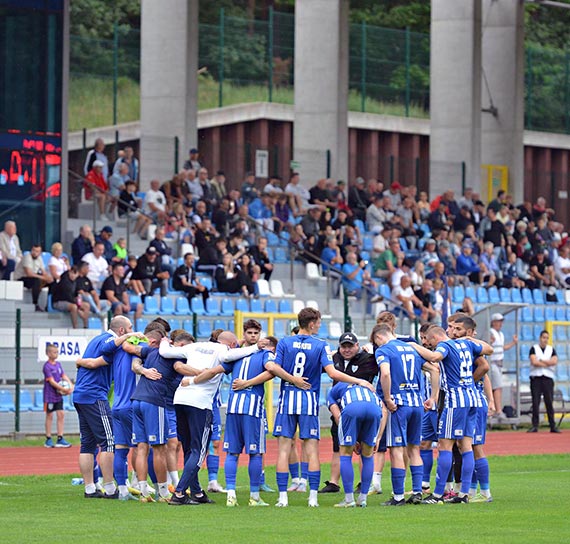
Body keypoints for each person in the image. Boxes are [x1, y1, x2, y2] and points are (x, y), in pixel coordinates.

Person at [272, 307, 375, 508]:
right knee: (312, 450)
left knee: (283, 450)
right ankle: (312, 498)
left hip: (286, 401)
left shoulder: (284, 342)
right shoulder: (320, 345)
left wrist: (291, 378)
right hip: (308, 402)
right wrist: (359, 381)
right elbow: (333, 373)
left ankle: (282, 497)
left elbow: (274, 367)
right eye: (318, 322)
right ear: (311, 324)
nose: (320, 326)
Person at [160, 331, 267, 506]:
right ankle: (179, 493)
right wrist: (256, 347)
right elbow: (236, 354)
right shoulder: (223, 350)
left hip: (179, 399)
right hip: (200, 403)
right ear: (232, 344)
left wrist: (164, 341)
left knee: (188, 448)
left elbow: (165, 352)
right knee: (199, 451)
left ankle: (196, 492)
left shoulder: (194, 346)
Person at [412, 326, 492, 504]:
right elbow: (489, 349)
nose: (428, 344)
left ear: (435, 338)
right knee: (466, 446)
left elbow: (434, 357)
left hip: (455, 401)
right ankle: (464, 494)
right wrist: (473, 341)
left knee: (444, 445)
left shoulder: (445, 346)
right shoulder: (466, 344)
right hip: (473, 398)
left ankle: (438, 495)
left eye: (429, 341)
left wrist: (413, 346)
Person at [72, 316, 141, 499]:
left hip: (80, 395)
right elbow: (106, 349)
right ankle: (110, 488)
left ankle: (90, 489)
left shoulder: (96, 338)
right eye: (130, 328)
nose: (132, 330)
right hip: (94, 396)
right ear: (121, 331)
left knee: (87, 444)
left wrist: (82, 362)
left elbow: (93, 362)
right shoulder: (108, 340)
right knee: (109, 442)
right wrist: (132, 336)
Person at [373, 324, 440, 506]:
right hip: (417, 404)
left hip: (399, 405)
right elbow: (435, 370)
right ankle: (417, 492)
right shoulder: (411, 348)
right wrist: (432, 397)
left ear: (378, 338)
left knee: (396, 450)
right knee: (414, 449)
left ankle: (398, 497)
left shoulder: (384, 350)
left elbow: (385, 374)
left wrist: (387, 398)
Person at [319, 332, 378, 495]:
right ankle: (333, 482)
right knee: (338, 447)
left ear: (357, 346)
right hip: (339, 406)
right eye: (343, 346)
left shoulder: (367, 359)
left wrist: (373, 350)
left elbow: (384, 359)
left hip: (360, 406)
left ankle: (362, 483)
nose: (347, 350)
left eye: (350, 346)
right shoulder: (333, 359)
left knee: (364, 448)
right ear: (339, 347)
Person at [449, 314, 495, 503]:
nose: (452, 331)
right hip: (472, 399)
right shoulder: (460, 346)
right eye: (451, 327)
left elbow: (484, 367)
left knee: (474, 446)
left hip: (471, 400)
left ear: (468, 332)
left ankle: (484, 493)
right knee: (467, 446)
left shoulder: (469, 345)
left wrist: (466, 383)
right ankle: (474, 490)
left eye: (457, 328)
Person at [326, 379, 383, 508]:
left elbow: (338, 417)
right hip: (375, 409)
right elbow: (382, 411)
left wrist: (351, 441)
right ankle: (363, 499)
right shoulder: (368, 386)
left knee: (345, 453)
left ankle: (349, 499)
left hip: (353, 408)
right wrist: (377, 438)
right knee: (368, 454)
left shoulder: (333, 391)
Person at [528, 330, 560, 433]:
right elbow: (534, 362)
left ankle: (552, 425)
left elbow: (554, 361)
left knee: (549, 402)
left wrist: (541, 361)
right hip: (536, 378)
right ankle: (535, 425)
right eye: (543, 337)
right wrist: (548, 363)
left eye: (547, 338)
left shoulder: (551, 349)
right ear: (540, 338)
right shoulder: (534, 348)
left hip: (548, 379)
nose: (545, 340)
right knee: (535, 402)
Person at [42, 344, 73, 448]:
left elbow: (63, 375)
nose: (56, 354)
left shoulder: (58, 364)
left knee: (61, 414)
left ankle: (60, 438)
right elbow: (51, 381)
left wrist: (70, 385)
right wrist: (64, 389)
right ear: (48, 353)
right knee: (49, 415)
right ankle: (48, 438)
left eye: (57, 352)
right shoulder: (47, 366)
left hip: (58, 395)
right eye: (54, 352)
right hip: (49, 395)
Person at [489, 313, 518, 416]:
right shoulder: (491, 332)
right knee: (497, 387)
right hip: (493, 362)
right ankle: (498, 410)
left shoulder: (500, 334)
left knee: (497, 386)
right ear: (493, 322)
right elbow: (488, 345)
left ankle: (496, 409)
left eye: (501, 321)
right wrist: (490, 342)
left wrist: (513, 343)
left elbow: (502, 348)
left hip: (499, 363)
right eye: (498, 321)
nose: (500, 323)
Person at [14, 244, 53, 312]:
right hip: (22, 278)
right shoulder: (27, 257)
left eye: (37, 251)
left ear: (40, 253)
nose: (35, 253)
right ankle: (35, 304)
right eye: (33, 250)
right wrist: (43, 278)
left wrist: (48, 278)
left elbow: (43, 272)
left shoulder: (39, 258)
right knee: (36, 281)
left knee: (52, 282)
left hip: (33, 277)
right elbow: (29, 273)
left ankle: (48, 304)